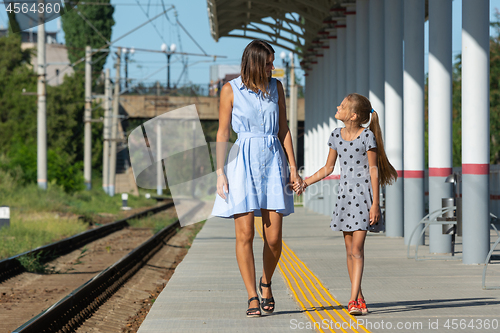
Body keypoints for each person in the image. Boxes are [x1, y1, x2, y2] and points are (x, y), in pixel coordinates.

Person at [211, 40, 301, 317]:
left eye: (273, 62)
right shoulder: (230, 90)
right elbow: (223, 133)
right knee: (246, 234)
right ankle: (252, 295)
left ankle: (266, 282)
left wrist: (294, 168)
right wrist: (219, 172)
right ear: (255, 63)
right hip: (242, 161)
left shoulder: (277, 88)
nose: (273, 67)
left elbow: (284, 129)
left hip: (273, 161)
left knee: (273, 238)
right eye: (269, 63)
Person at [294, 93, 397, 315]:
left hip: (363, 199)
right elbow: (328, 167)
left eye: (341, 106)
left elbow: (373, 171)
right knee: (349, 251)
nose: (337, 106)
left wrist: (376, 204)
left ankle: (352, 300)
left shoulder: (367, 136)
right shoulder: (335, 136)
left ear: (353, 115)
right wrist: (306, 183)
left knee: (357, 250)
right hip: (344, 198)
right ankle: (359, 298)